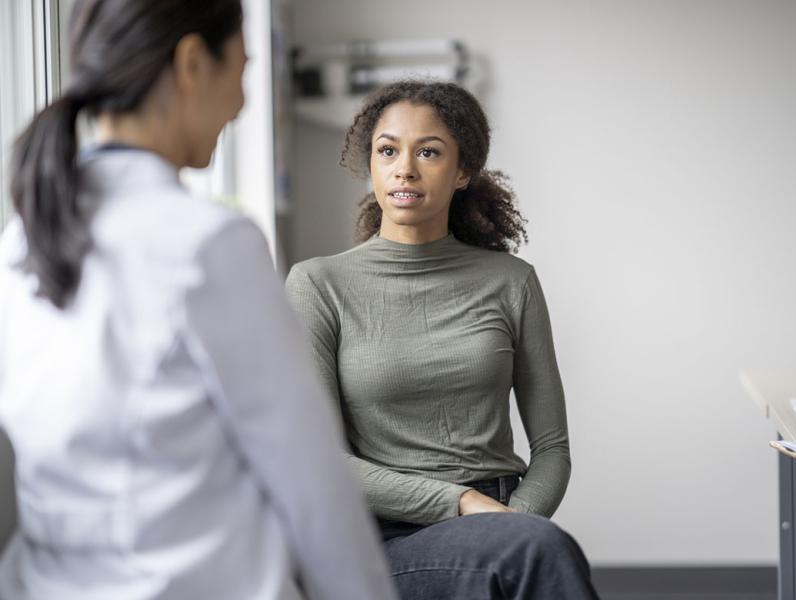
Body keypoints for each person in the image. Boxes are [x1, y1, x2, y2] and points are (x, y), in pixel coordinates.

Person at [0, 1, 398, 599]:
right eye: (240, 68)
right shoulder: (209, 245)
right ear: (191, 63)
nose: (240, 102)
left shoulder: (19, 242)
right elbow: (313, 487)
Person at [285, 80, 600, 599]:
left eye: (428, 152)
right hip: (385, 537)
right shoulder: (318, 285)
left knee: (533, 550)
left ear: (462, 171)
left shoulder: (512, 281)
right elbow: (319, 458)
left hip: (503, 516)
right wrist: (462, 505)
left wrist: (510, 522)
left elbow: (552, 448)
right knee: (538, 553)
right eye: (387, 150)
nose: (404, 168)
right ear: (371, 164)